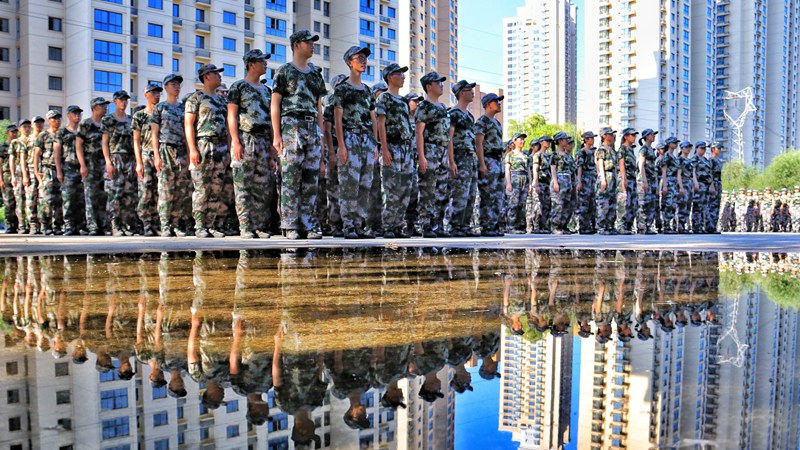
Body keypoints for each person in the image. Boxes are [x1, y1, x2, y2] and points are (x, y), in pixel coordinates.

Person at [271, 29, 328, 240]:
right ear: (296, 45)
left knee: (311, 178)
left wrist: (320, 135)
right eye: (308, 42)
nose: (312, 45)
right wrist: (277, 135)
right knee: (291, 177)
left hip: (312, 127)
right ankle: (289, 224)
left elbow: (319, 106)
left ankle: (308, 223)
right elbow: (275, 104)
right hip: (291, 125)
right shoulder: (284, 71)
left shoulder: (315, 74)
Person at [227, 49, 276, 239]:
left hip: (264, 140)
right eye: (262, 61)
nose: (265, 64)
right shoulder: (238, 87)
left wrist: (272, 146)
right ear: (251, 64)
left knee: (262, 186)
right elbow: (231, 116)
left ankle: (260, 225)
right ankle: (246, 226)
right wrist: (236, 142)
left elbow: (272, 120)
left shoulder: (267, 90)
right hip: (246, 139)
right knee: (243, 184)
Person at [332, 45, 377, 239]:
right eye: (359, 58)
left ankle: (359, 225)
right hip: (350, 138)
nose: (363, 61)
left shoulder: (367, 90)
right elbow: (337, 120)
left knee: (365, 184)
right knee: (349, 184)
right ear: (350, 62)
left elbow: (373, 118)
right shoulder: (342, 89)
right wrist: (341, 145)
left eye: (365, 58)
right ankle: (348, 226)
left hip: (367, 139)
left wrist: (375, 144)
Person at [185, 64, 229, 238]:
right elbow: (188, 124)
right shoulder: (195, 98)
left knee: (216, 187)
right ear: (207, 76)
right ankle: (199, 226)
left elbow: (226, 125)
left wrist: (228, 148)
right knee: (202, 187)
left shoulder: (221, 100)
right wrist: (193, 149)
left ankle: (210, 225)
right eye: (217, 74)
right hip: (203, 144)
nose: (220, 76)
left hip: (220, 146)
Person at [376, 63, 414, 239]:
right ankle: (388, 226)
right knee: (391, 188)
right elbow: (380, 124)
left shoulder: (404, 101)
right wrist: (384, 149)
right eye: (399, 74)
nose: (403, 77)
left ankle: (398, 225)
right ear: (390, 77)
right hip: (392, 146)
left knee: (405, 188)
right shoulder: (384, 98)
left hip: (406, 149)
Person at [151, 74, 192, 237]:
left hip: (182, 150)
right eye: (173, 84)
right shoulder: (160, 108)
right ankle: (165, 224)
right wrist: (156, 156)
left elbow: (190, 132)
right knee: (166, 189)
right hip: (166, 149)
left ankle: (176, 224)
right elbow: (154, 133)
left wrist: (189, 153)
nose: (177, 87)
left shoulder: (184, 108)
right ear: (166, 87)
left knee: (181, 190)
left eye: (178, 84)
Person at [415, 71, 451, 238]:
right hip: (430, 150)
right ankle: (425, 225)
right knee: (427, 189)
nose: (441, 85)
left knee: (442, 190)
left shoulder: (443, 108)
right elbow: (419, 133)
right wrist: (421, 157)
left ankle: (438, 225)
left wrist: (450, 159)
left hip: (443, 151)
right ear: (429, 86)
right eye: (438, 83)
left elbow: (448, 136)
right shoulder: (424, 107)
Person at [103, 90, 138, 236]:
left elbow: (135, 141)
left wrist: (136, 160)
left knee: (129, 194)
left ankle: (125, 225)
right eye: (121, 100)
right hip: (115, 157)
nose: (124, 102)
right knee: (114, 193)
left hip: (129, 158)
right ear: (115, 101)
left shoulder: (131, 120)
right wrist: (108, 162)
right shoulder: (108, 120)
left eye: (125, 100)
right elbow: (104, 142)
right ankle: (115, 225)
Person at [446, 80, 478, 237]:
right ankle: (454, 226)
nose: (472, 92)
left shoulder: (470, 116)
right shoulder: (453, 114)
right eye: (469, 90)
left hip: (470, 158)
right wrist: (451, 161)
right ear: (461, 93)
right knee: (459, 194)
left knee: (470, 194)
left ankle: (465, 226)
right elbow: (449, 138)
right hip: (459, 156)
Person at [132, 83, 163, 236]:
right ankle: (145, 224)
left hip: (161, 155)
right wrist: (138, 162)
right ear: (146, 95)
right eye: (154, 92)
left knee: (159, 191)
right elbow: (136, 140)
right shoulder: (140, 115)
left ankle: (157, 224)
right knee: (145, 191)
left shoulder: (161, 112)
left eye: (159, 93)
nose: (157, 95)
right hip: (145, 155)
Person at [76, 98, 109, 236]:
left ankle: (103, 225)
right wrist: (82, 165)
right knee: (90, 195)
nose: (106, 108)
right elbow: (78, 145)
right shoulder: (86, 124)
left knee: (104, 195)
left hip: (104, 163)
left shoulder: (107, 123)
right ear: (95, 108)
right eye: (103, 106)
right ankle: (92, 226)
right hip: (90, 163)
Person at [474, 93, 504, 237]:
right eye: (496, 101)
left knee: (498, 195)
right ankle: (486, 226)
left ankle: (495, 225)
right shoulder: (482, 122)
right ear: (487, 105)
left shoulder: (497, 123)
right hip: (488, 160)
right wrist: (482, 164)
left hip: (498, 161)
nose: (499, 103)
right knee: (488, 194)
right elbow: (478, 144)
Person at [323, 74, 348, 237]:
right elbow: (326, 128)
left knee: (348, 189)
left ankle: (347, 223)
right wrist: (331, 152)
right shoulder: (331, 101)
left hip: (348, 147)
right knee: (333, 189)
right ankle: (335, 224)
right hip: (335, 147)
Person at [55, 106, 86, 235]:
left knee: (81, 198)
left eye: (79, 113)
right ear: (68, 115)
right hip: (68, 168)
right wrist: (59, 171)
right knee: (68, 198)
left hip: (83, 168)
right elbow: (57, 153)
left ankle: (81, 226)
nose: (77, 116)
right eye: (74, 113)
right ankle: (69, 226)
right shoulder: (62, 132)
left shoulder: (83, 130)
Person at [32, 110, 63, 235]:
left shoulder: (63, 134)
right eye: (54, 118)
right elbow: (36, 154)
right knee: (47, 199)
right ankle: (46, 225)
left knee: (59, 199)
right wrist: (36, 171)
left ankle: (58, 226)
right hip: (48, 169)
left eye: (58, 118)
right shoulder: (43, 135)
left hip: (61, 169)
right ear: (49, 120)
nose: (57, 121)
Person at [549, 132, 577, 235]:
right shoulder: (554, 155)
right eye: (565, 139)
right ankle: (555, 226)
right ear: (560, 141)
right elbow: (553, 169)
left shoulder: (568, 156)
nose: (567, 141)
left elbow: (572, 170)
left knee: (567, 204)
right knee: (558, 205)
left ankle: (563, 226)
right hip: (559, 180)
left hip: (568, 181)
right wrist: (555, 182)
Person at [503, 133, 529, 234]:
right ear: (514, 141)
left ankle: (520, 225)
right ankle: (510, 226)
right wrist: (508, 183)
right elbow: (507, 169)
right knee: (513, 203)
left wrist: (530, 183)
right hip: (514, 177)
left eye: (523, 140)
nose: (522, 141)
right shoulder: (510, 155)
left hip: (524, 178)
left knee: (522, 204)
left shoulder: (525, 155)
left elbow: (529, 170)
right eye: (520, 139)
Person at [9, 120, 31, 234]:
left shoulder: (33, 140)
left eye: (28, 126)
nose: (27, 129)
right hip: (19, 173)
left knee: (31, 200)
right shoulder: (15, 142)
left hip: (31, 171)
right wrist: (12, 176)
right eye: (24, 126)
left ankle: (33, 225)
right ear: (20, 129)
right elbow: (12, 160)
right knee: (20, 199)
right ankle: (22, 225)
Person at [615, 128, 638, 235]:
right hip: (625, 178)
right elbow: (621, 164)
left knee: (632, 203)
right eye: (632, 135)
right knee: (623, 202)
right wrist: (623, 179)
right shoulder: (622, 149)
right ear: (626, 136)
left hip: (632, 179)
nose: (634, 137)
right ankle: (620, 226)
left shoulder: (631, 149)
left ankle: (628, 226)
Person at [594, 128, 617, 235]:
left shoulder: (611, 149)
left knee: (612, 202)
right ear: (604, 136)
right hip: (605, 175)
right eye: (610, 134)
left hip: (612, 175)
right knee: (603, 202)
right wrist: (602, 178)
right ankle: (601, 227)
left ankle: (610, 225)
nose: (612, 136)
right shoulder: (601, 149)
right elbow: (600, 164)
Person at [636, 129, 658, 234]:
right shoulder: (643, 149)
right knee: (643, 203)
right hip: (645, 179)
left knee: (651, 203)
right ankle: (642, 227)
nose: (653, 136)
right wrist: (644, 180)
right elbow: (641, 165)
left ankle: (649, 226)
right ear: (647, 136)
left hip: (652, 179)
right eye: (652, 135)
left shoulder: (651, 149)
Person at [575, 131, 596, 234]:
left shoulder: (592, 152)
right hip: (585, 179)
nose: (593, 139)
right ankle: (583, 227)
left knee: (591, 203)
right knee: (584, 203)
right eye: (591, 138)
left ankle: (588, 226)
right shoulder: (581, 152)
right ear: (586, 140)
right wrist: (579, 181)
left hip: (592, 179)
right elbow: (580, 167)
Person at [690, 141, 714, 234]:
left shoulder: (705, 159)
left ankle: (703, 226)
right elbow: (693, 171)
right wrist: (695, 183)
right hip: (699, 184)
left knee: (705, 206)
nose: (703, 150)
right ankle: (696, 226)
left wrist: (711, 185)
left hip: (706, 185)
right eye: (701, 148)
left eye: (704, 148)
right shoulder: (694, 159)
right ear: (696, 149)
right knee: (697, 206)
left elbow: (709, 173)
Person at [531, 136, 553, 233]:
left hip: (548, 183)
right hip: (540, 181)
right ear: (541, 142)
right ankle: (536, 226)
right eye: (546, 141)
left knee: (547, 205)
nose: (548, 143)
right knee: (538, 205)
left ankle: (544, 225)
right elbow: (535, 169)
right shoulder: (537, 155)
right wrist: (536, 183)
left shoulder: (549, 155)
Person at [661, 137, 681, 233]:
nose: (676, 144)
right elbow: (664, 170)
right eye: (674, 142)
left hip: (674, 182)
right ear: (669, 144)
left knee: (673, 204)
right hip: (668, 181)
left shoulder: (673, 156)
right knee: (668, 204)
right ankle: (666, 226)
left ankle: (671, 226)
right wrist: (664, 185)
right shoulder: (667, 155)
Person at [0, 124, 18, 233]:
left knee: (19, 201)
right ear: (8, 133)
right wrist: (0, 179)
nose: (15, 134)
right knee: (8, 201)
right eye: (12, 132)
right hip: (6, 175)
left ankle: (19, 225)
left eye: (16, 132)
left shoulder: (19, 144)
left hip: (18, 174)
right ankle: (9, 225)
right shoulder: (3, 147)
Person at [676, 141, 695, 233]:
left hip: (690, 183)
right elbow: (678, 174)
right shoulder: (679, 159)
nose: (688, 149)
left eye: (690, 147)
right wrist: (681, 187)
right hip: (683, 182)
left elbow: (693, 174)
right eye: (686, 147)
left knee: (688, 205)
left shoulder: (690, 161)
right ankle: (680, 225)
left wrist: (695, 184)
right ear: (682, 148)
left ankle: (685, 225)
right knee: (682, 205)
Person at [708, 142, 724, 233]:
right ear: (713, 149)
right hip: (713, 183)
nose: (720, 150)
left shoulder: (718, 160)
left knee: (717, 205)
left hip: (718, 183)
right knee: (712, 205)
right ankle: (710, 226)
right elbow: (709, 173)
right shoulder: (711, 160)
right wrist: (711, 185)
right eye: (718, 148)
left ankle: (714, 226)